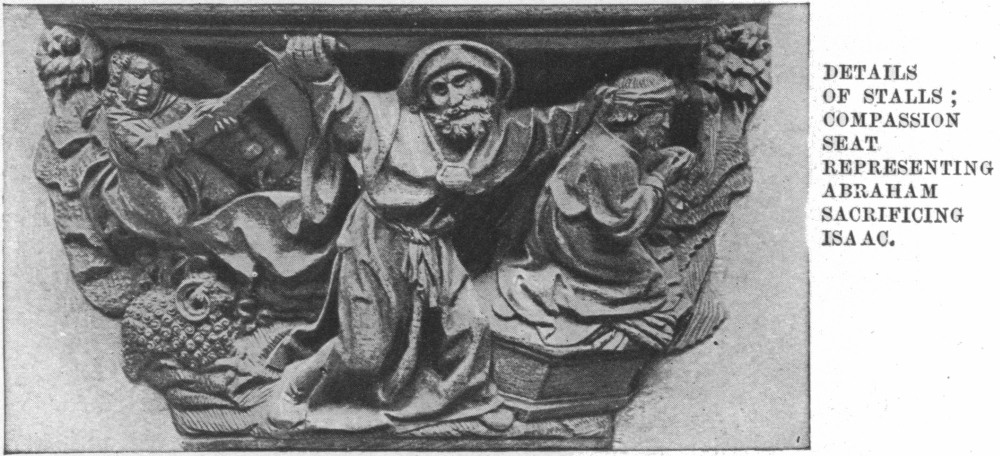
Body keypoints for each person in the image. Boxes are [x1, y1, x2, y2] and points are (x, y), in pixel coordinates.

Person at [264, 35, 608, 431]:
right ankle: (297, 385)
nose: (454, 98)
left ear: (484, 84)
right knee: (365, 352)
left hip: (433, 246)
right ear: (424, 100)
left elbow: (551, 128)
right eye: (439, 90)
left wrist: (597, 104)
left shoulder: (499, 134)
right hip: (377, 242)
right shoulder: (389, 121)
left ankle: (474, 398)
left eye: (462, 82)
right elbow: (346, 118)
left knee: (468, 326)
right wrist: (323, 75)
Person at [495, 69, 696, 351]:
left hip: (562, 232)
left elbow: (623, 175)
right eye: (661, 116)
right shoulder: (611, 157)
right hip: (578, 245)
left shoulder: (603, 136)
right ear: (636, 114)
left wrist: (655, 160)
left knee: (656, 257)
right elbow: (626, 222)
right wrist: (660, 178)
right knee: (651, 284)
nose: (666, 125)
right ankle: (597, 309)